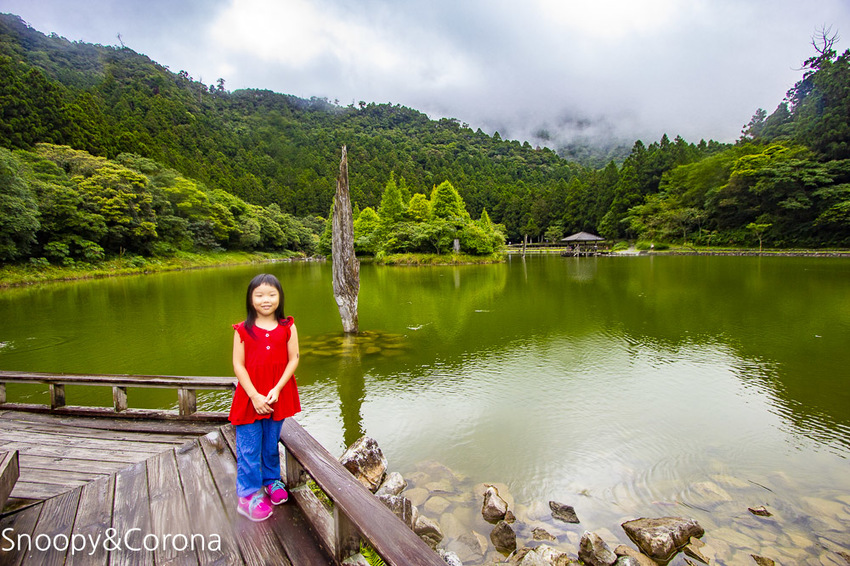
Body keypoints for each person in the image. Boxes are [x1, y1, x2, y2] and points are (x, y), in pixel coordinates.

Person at [230, 273, 301, 521]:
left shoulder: (287, 326)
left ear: (280, 297)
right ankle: (247, 495)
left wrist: (278, 388)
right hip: (250, 397)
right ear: (251, 299)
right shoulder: (243, 329)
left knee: (271, 443)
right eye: (259, 295)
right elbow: (238, 366)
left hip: (277, 395)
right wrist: (254, 396)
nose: (266, 299)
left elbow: (294, 359)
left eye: (271, 294)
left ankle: (271, 481)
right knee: (249, 446)